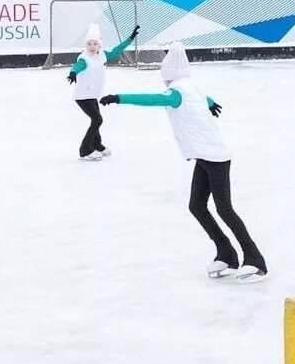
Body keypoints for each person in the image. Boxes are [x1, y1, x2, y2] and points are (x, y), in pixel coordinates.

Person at [100, 43, 267, 283]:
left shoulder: (176, 92)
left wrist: (118, 97)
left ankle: (255, 259)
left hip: (215, 157)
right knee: (196, 206)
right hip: (205, 156)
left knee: (224, 209)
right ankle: (227, 253)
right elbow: (204, 98)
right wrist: (210, 103)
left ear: (169, 76)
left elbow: (153, 100)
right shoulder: (192, 88)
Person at [68, 23, 138, 160]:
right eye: (89, 44)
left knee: (96, 119)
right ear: (85, 45)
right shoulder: (84, 58)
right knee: (97, 120)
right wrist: (73, 72)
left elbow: (117, 50)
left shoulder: (103, 55)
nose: (92, 46)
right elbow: (78, 66)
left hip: (92, 94)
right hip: (82, 96)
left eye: (95, 43)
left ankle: (97, 144)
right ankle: (85, 150)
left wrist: (130, 38)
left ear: (99, 44)